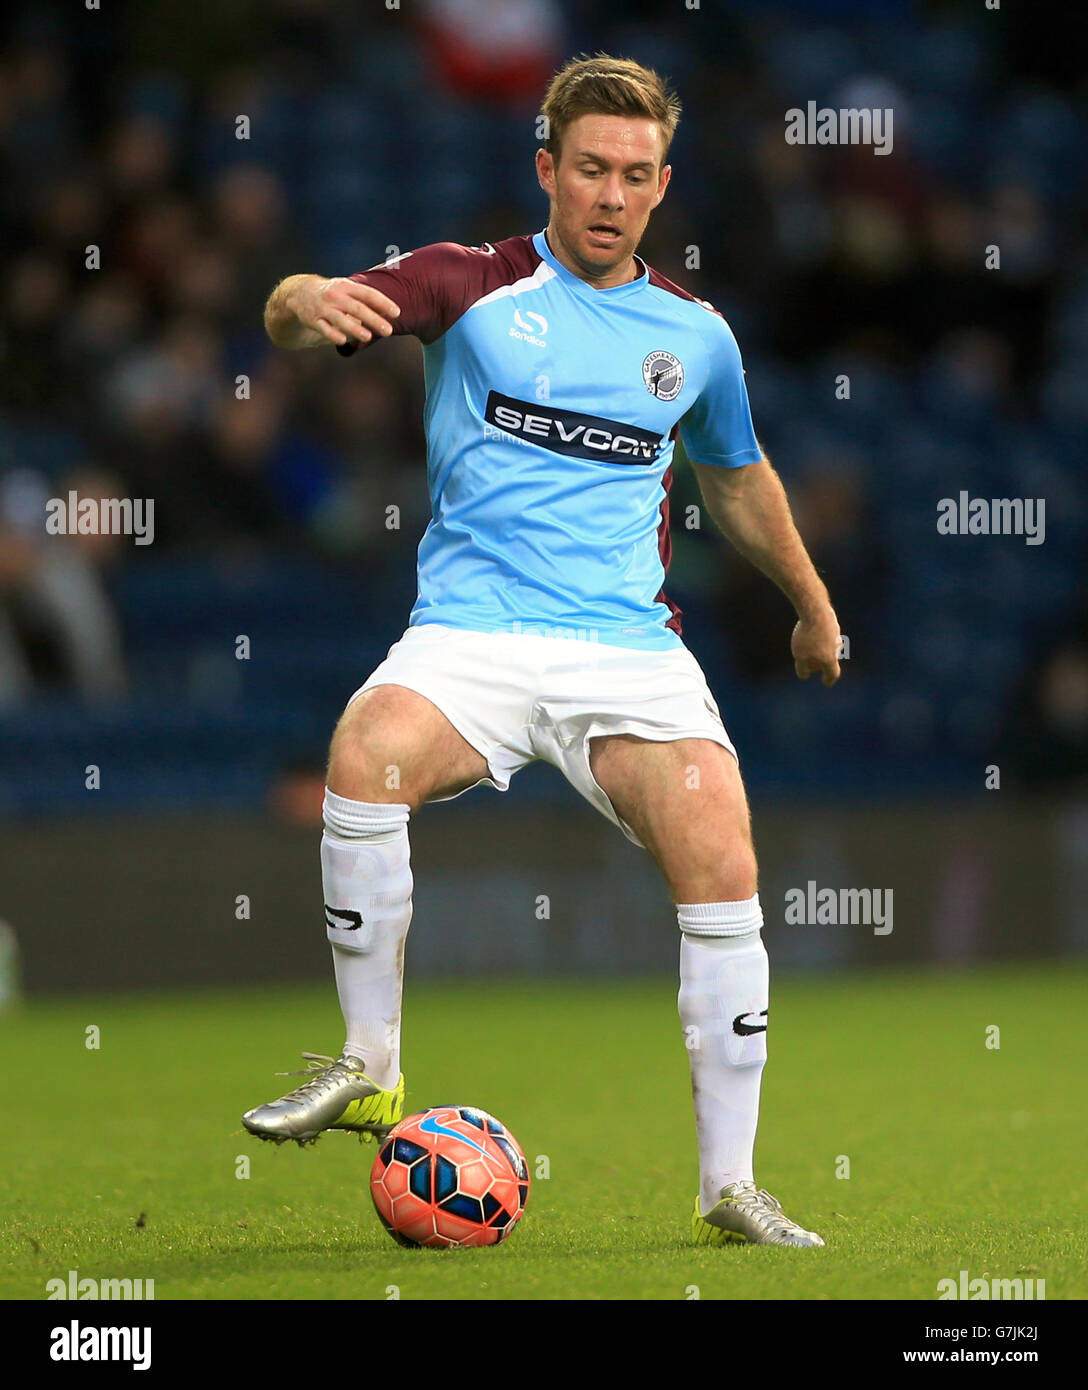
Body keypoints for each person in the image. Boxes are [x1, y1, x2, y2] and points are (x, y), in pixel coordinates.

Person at [242, 54, 842, 1247]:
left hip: (626, 648)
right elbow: (297, 304)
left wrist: (810, 604)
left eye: (633, 175)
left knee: (721, 850)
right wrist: (302, 301)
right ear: (546, 170)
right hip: (471, 637)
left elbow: (734, 477)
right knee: (366, 751)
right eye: (587, 170)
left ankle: (729, 1184)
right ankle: (368, 1064)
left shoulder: (693, 335)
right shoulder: (466, 284)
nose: (609, 195)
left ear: (660, 184)